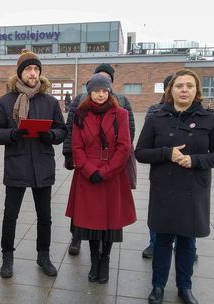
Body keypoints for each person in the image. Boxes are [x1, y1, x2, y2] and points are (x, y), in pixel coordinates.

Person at [135, 69, 214, 304]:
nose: (184, 90)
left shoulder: (209, 118)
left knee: (188, 241)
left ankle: (184, 287)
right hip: (163, 188)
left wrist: (195, 160)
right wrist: (167, 153)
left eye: (189, 86)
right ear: (171, 90)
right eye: (179, 86)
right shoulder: (156, 117)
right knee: (162, 240)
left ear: (196, 90)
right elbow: (140, 153)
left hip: (193, 188)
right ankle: (157, 286)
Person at [0, 49, 67, 279]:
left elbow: (62, 130)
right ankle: (7, 258)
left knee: (45, 216)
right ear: (20, 73)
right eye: (28, 69)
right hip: (17, 164)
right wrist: (14, 133)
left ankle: (43, 256)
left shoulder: (50, 101)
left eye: (36, 69)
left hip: (42, 165)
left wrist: (49, 136)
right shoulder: (5, 101)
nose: (33, 73)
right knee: (10, 215)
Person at [66, 74, 136, 283]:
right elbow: (76, 146)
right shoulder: (80, 114)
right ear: (90, 92)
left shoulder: (120, 114)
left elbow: (124, 147)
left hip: (112, 175)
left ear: (109, 92)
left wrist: (106, 172)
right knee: (90, 222)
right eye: (96, 91)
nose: (100, 95)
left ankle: (105, 260)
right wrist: (88, 170)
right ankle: (94, 260)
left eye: (104, 91)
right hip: (87, 175)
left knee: (109, 221)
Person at [141, 74, 173, 259]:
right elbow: (146, 144)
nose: (180, 91)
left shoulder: (196, 113)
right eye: (174, 86)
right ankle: (154, 243)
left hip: (188, 172)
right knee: (158, 209)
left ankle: (186, 244)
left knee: (186, 212)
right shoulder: (154, 111)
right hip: (161, 169)